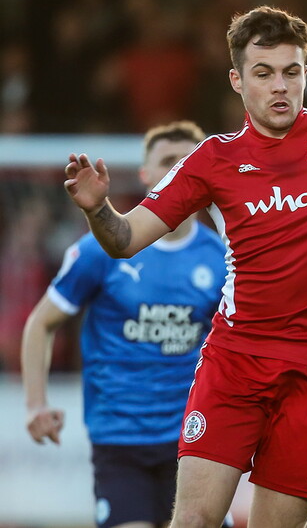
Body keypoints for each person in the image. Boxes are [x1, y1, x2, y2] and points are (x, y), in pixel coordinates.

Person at [62, 6, 307, 528]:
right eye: (264, 74)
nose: (280, 86)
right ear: (238, 80)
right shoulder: (213, 160)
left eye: (292, 71)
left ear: (306, 73)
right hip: (237, 362)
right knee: (192, 519)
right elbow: (125, 239)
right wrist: (98, 209)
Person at [22, 121, 226, 528]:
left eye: (189, 160)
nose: (181, 168)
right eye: (169, 161)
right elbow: (42, 322)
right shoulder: (101, 250)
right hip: (119, 438)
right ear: (146, 175)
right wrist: (35, 403)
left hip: (194, 440)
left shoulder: (222, 257)